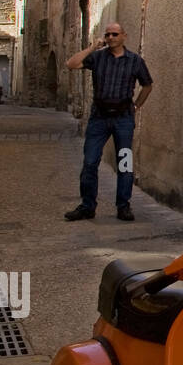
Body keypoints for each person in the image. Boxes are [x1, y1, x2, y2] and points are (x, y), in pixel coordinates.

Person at [64, 23, 154, 221]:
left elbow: (147, 85)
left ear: (124, 36)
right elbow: (71, 64)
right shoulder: (98, 57)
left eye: (115, 34)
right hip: (99, 118)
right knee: (90, 162)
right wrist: (92, 47)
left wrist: (136, 106)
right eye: (108, 34)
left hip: (123, 118)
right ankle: (87, 206)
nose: (111, 37)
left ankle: (123, 206)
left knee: (125, 163)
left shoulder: (135, 61)